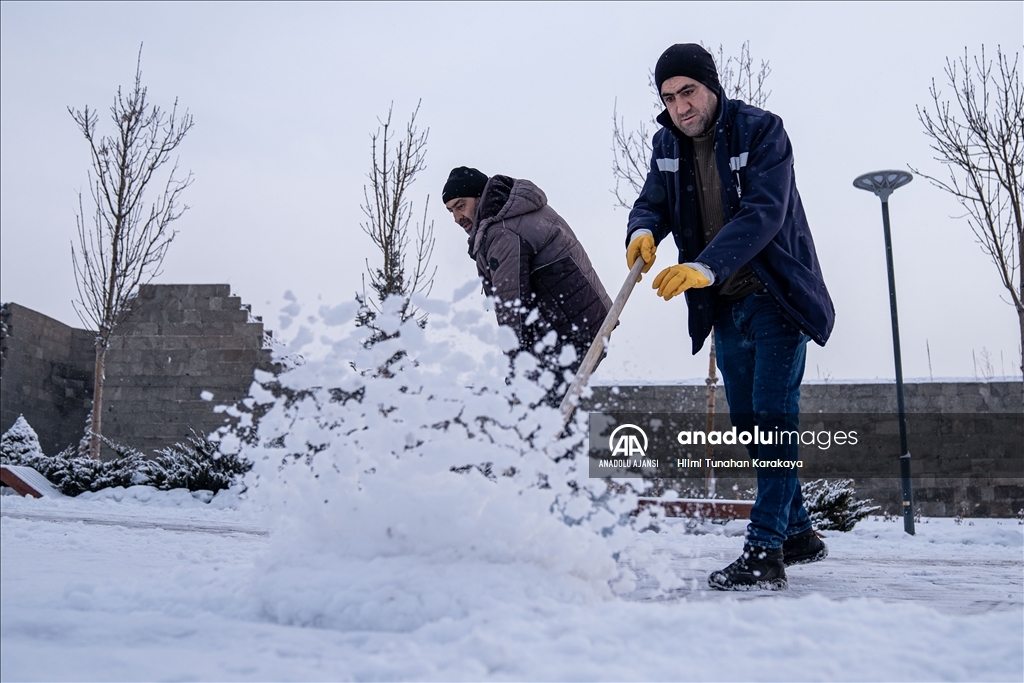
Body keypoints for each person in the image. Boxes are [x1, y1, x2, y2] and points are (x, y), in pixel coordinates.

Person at [625, 44, 835, 590]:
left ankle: (766, 551)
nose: (679, 106)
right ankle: (799, 533)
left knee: (772, 419)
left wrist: (704, 266)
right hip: (725, 307)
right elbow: (654, 201)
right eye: (668, 97)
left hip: (774, 297)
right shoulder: (665, 144)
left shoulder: (762, 131)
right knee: (750, 422)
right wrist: (642, 230)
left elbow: (764, 210)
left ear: (711, 87)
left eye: (688, 91)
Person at [443, 167, 612, 406]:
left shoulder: (503, 231)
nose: (457, 218)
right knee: (554, 412)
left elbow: (512, 304)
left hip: (573, 330)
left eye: (461, 206)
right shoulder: (512, 213)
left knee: (543, 415)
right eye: (451, 210)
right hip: (583, 321)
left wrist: (515, 370)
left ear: (480, 197)